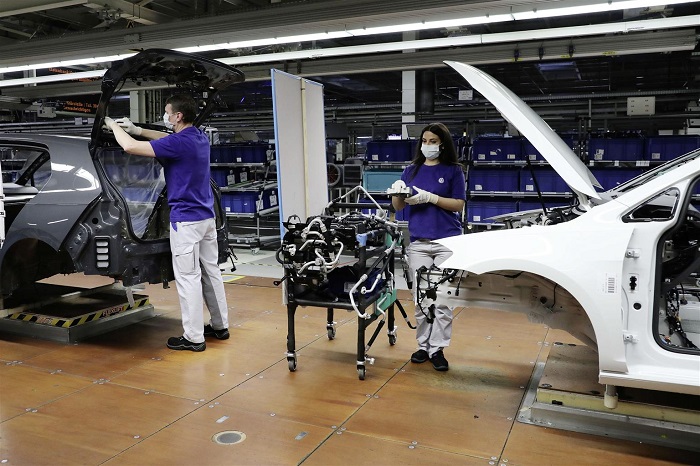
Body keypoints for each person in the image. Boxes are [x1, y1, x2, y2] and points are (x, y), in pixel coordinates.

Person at [104, 94, 229, 352]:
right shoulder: (198, 137)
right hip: (206, 218)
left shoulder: (180, 142)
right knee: (211, 273)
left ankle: (194, 338)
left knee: (188, 278)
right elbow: (166, 139)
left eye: (168, 112)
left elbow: (129, 147)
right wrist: (138, 129)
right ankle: (220, 326)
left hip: (186, 222)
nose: (166, 116)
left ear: (178, 116)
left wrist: (114, 126)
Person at [390, 123, 466, 371]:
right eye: (425, 141)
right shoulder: (411, 171)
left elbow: (459, 205)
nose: (428, 145)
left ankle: (438, 349)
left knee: (443, 300)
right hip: (419, 243)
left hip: (447, 242)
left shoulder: (453, 170)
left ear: (442, 143)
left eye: (433, 141)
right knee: (421, 299)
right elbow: (398, 207)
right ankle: (423, 346)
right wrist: (397, 192)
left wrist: (432, 198)